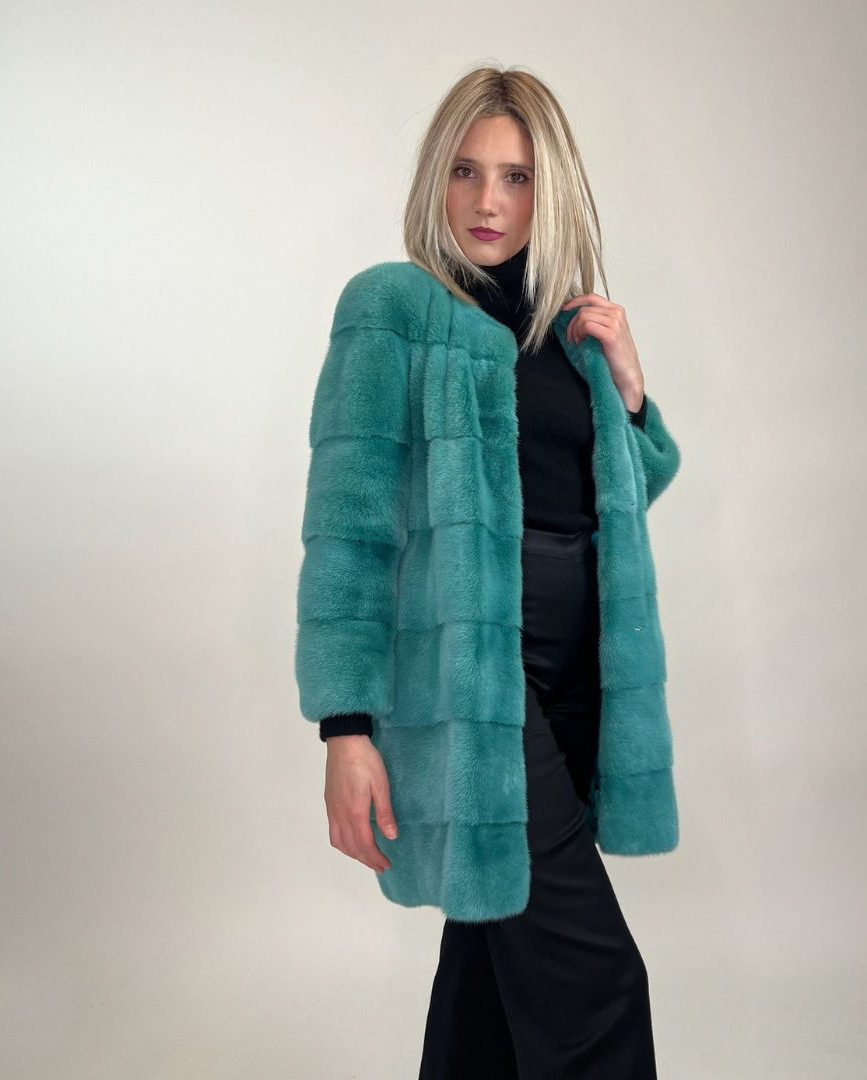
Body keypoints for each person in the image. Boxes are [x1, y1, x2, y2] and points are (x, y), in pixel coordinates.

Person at [295, 65, 682, 1079]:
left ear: (548, 191)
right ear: (438, 178)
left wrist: (630, 389)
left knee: (493, 966)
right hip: (475, 686)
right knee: (595, 982)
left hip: (577, 679)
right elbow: (348, 531)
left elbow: (620, 498)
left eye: (516, 177)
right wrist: (345, 729)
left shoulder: (570, 333)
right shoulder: (394, 309)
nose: (488, 201)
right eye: (466, 171)